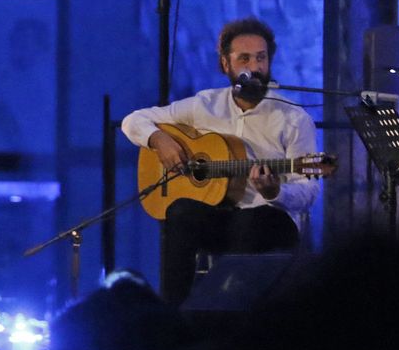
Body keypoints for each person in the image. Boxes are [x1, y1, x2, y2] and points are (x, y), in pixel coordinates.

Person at [121, 17, 320, 305]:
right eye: (244, 58)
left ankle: (235, 321)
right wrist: (158, 139)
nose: (254, 67)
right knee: (179, 210)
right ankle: (175, 315)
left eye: (261, 58)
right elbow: (133, 120)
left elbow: (309, 190)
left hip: (269, 219)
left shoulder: (293, 118)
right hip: (217, 216)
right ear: (225, 65)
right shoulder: (204, 106)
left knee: (251, 221)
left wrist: (275, 191)